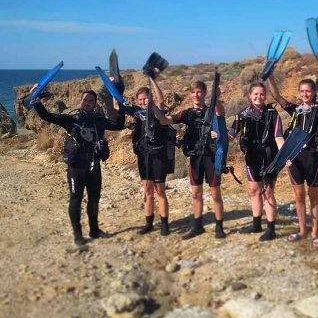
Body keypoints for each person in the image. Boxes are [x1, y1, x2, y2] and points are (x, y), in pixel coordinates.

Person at [30, 88, 125, 245]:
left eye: (91, 101)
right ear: (81, 102)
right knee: (76, 199)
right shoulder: (71, 119)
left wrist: (120, 108)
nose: (87, 103)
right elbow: (47, 116)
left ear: (95, 104)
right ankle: (78, 234)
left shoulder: (99, 120)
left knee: (94, 200)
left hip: (94, 166)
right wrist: (37, 101)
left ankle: (94, 230)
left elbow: (118, 125)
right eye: (85, 100)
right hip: (76, 168)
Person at [268, 67, 318, 248]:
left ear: (313, 92)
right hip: (295, 160)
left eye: (308, 91)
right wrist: (271, 76)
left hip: (314, 160)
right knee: (299, 196)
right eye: (302, 91)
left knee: (313, 197)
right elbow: (277, 97)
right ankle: (303, 230)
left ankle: (315, 234)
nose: (305, 94)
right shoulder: (295, 110)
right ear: (299, 93)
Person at [156, 80, 226, 239]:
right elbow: (165, 120)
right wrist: (154, 108)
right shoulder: (186, 114)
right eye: (193, 92)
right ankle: (197, 225)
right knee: (196, 194)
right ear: (190, 94)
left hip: (211, 158)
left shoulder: (212, 110)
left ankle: (219, 226)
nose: (196, 95)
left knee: (215, 194)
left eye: (199, 91)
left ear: (205, 93)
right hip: (195, 159)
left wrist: (217, 98)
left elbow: (221, 112)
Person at [228, 82, 284, 241]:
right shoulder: (242, 114)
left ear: (265, 96)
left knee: (268, 193)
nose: (259, 97)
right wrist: (220, 137)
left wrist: (285, 155)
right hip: (251, 157)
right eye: (255, 94)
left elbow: (278, 136)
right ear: (250, 96)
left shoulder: (272, 114)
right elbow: (232, 133)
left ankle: (271, 229)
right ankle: (256, 223)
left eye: (261, 94)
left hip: (270, 158)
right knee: (254, 190)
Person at [128, 75, 175, 236]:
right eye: (140, 100)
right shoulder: (135, 112)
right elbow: (118, 104)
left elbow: (161, 100)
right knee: (147, 190)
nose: (143, 102)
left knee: (159, 190)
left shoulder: (156, 110)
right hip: (143, 157)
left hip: (158, 156)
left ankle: (164, 224)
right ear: (137, 101)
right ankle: (148, 223)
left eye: (145, 99)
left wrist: (152, 80)